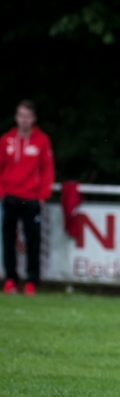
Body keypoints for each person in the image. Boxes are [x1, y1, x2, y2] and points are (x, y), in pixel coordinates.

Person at [1, 100, 54, 295]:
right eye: (21, 116)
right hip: (10, 196)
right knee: (8, 240)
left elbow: (47, 169)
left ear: (33, 119)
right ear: (16, 117)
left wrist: (42, 195)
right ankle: (10, 280)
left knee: (33, 240)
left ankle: (31, 281)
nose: (24, 120)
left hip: (31, 198)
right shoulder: (6, 139)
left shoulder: (41, 140)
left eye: (27, 116)